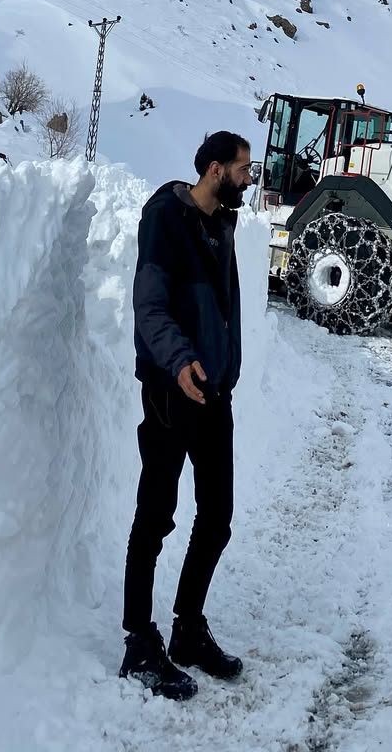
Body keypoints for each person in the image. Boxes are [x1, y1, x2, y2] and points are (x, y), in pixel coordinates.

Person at [118, 131, 254, 700]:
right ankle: (137, 642)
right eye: (244, 168)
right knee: (156, 515)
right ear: (215, 169)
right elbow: (149, 307)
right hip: (171, 393)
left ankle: (187, 628)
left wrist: (226, 368)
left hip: (213, 395)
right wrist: (179, 363)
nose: (251, 177)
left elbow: (223, 310)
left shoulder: (221, 224)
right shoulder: (164, 220)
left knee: (217, 515)